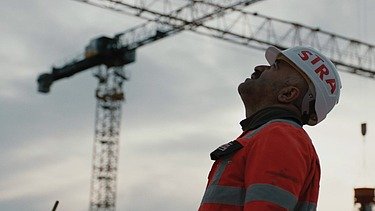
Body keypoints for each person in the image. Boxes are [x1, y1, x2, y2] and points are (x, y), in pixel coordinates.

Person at [198, 46, 342, 211]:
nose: (259, 68)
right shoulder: (264, 136)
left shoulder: (280, 136)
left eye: (275, 67)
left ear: (287, 94)